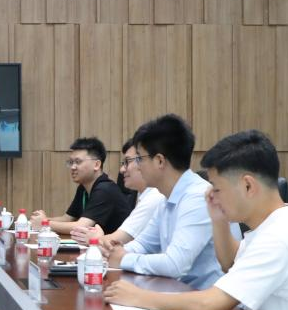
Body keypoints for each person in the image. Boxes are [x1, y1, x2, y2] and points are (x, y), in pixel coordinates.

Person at [104, 129, 288, 310]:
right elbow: (229, 263)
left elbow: (209, 307)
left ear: (248, 186)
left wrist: (139, 297)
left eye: (217, 189)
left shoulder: (281, 235)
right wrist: (218, 220)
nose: (212, 195)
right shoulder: (280, 222)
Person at [99, 114, 231, 290]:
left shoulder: (198, 197)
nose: (137, 166)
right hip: (176, 293)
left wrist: (123, 258)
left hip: (204, 299)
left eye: (140, 159)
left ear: (160, 161)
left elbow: (175, 265)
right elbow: (144, 244)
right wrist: (114, 251)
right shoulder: (166, 197)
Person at [72, 138, 164, 246]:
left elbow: (117, 241)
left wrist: (97, 239)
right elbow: (137, 246)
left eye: (127, 162)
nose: (122, 170)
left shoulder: (154, 197)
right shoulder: (141, 195)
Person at [31, 137, 130, 236]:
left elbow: (81, 227)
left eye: (78, 162)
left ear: (96, 164)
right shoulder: (83, 187)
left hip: (117, 244)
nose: (73, 167)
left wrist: (44, 223)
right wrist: (43, 219)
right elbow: (68, 218)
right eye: (71, 162)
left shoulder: (105, 189)